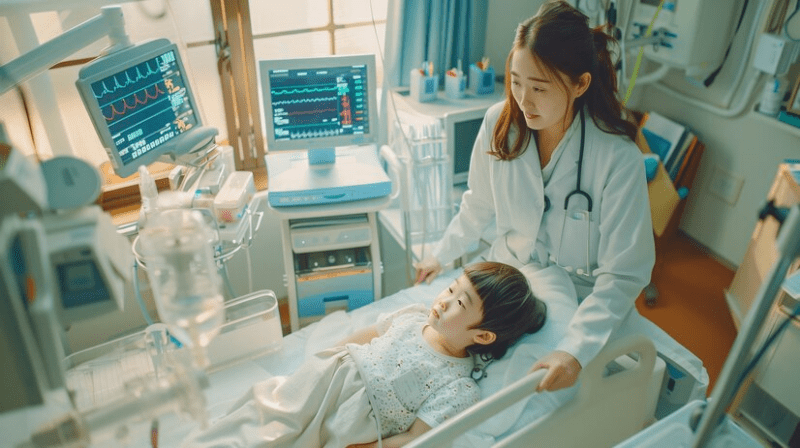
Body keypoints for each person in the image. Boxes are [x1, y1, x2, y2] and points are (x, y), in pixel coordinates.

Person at [414, 0, 655, 393]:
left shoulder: (617, 159)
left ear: (580, 84)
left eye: (539, 88)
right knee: (435, 348)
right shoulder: (499, 124)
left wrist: (575, 351)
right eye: (515, 82)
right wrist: (440, 254)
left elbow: (625, 272)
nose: (523, 101)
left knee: (509, 387)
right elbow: (478, 204)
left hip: (578, 299)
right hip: (509, 276)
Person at [182, 261, 547, 448]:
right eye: (450, 290)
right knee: (265, 416)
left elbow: (419, 436)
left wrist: (375, 447)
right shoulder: (413, 316)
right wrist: (334, 354)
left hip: (357, 415)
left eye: (459, 303)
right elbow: (366, 335)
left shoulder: (459, 386)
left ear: (482, 335)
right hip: (329, 374)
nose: (443, 300)